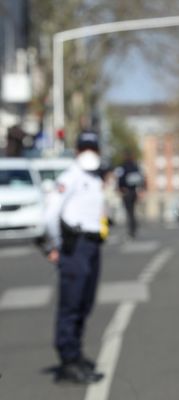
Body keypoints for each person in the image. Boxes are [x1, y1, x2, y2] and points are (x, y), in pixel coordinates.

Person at [44, 131, 106, 384]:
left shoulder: (94, 178)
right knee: (71, 305)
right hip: (75, 246)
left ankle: (77, 354)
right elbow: (50, 215)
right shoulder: (69, 177)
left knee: (84, 303)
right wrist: (56, 245)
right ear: (77, 150)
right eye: (85, 147)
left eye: (92, 147)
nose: (89, 152)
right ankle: (68, 360)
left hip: (92, 245)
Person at [114, 149, 144, 239]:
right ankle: (133, 228)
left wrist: (120, 188)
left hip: (126, 192)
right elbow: (140, 179)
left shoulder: (122, 167)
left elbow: (120, 179)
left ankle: (131, 230)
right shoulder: (135, 166)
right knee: (132, 211)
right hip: (133, 191)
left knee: (129, 211)